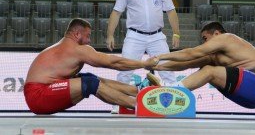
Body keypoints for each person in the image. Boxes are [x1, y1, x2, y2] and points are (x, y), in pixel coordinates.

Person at [24, 18, 157, 115]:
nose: (89, 41)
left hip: (40, 92)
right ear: (77, 34)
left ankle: (138, 91)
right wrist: (144, 64)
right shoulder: (76, 49)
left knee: (89, 78)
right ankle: (141, 105)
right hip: (38, 95)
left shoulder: (65, 45)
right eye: (88, 36)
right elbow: (113, 63)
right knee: (90, 83)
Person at [146, 21, 255, 109]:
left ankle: (172, 91)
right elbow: (186, 63)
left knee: (209, 71)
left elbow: (191, 52)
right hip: (251, 98)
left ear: (217, 34)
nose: (204, 43)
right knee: (205, 67)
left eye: (205, 38)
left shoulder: (226, 37)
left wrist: (159, 56)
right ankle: (174, 93)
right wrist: (157, 66)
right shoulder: (214, 56)